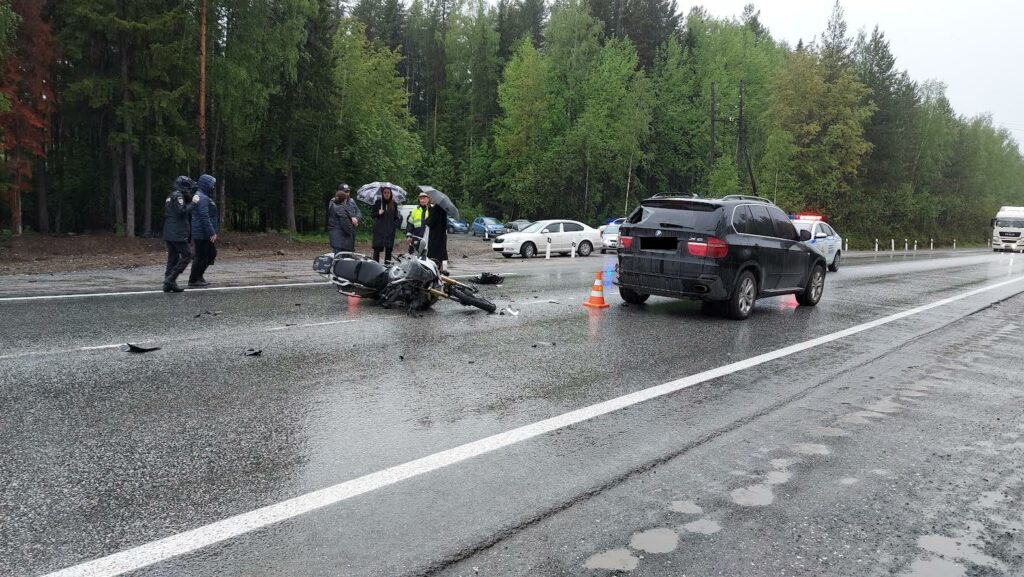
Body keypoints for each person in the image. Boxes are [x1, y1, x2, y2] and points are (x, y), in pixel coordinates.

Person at [161, 176, 195, 292]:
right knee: (188, 254)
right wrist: (193, 204)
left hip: (169, 231)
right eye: (189, 188)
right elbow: (182, 211)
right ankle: (171, 279)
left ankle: (168, 283)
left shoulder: (171, 195)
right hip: (176, 232)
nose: (190, 190)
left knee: (173, 257)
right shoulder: (178, 196)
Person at [188, 174, 218, 287]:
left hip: (203, 232)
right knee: (201, 256)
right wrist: (211, 232)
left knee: (211, 253)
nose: (213, 187)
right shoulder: (202, 197)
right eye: (212, 185)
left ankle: (198, 276)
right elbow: (204, 216)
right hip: (202, 233)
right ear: (206, 185)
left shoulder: (203, 196)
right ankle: (194, 279)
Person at [371, 187, 402, 264]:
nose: (386, 194)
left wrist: (394, 226)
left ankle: (387, 268)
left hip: (390, 232)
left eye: (388, 193)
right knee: (377, 251)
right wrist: (378, 213)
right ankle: (375, 267)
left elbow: (397, 218)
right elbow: (372, 215)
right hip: (379, 231)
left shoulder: (394, 204)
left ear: (391, 194)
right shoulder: (378, 202)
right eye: (385, 192)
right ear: (382, 193)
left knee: (388, 251)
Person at [327, 185, 359, 253]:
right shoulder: (334, 202)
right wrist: (351, 220)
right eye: (345, 192)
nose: (347, 194)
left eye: (348, 191)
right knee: (341, 257)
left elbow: (358, 212)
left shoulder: (352, 201)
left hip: (349, 233)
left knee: (349, 253)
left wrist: (356, 218)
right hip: (341, 234)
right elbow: (341, 218)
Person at [424, 200, 449, 274]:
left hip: (435, 235)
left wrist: (426, 220)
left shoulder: (435, 209)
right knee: (443, 253)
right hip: (443, 234)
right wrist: (429, 208)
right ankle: (444, 269)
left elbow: (431, 222)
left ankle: (433, 270)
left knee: (433, 254)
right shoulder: (444, 209)